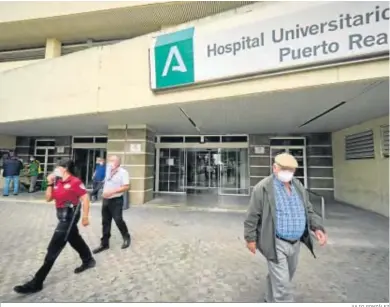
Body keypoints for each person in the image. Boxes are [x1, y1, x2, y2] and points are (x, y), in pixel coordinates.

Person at [244, 153, 327, 303]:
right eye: (285, 169)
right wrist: (250, 239)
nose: (288, 173)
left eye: (291, 170)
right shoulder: (262, 188)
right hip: (275, 242)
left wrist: (317, 228)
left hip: (295, 242)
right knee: (282, 285)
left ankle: (269, 299)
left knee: (284, 276)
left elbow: (308, 209)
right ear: (275, 168)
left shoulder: (298, 186)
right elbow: (252, 216)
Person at [13, 159, 96, 294]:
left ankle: (37, 282)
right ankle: (88, 260)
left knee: (53, 249)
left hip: (69, 217)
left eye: (57, 168)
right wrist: (50, 183)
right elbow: (48, 198)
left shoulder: (75, 182)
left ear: (65, 168)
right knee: (74, 238)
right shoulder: (56, 181)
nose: (55, 170)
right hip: (60, 215)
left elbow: (85, 198)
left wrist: (86, 217)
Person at [93, 155, 131, 254]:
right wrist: (101, 167)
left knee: (118, 220)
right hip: (106, 200)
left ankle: (126, 236)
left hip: (116, 200)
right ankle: (104, 243)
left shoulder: (123, 172)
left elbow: (126, 186)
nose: (110, 162)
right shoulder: (107, 171)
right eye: (109, 161)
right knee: (105, 222)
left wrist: (112, 192)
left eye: (112, 161)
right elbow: (100, 179)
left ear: (118, 162)